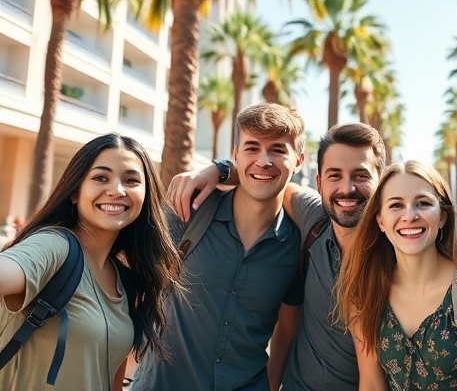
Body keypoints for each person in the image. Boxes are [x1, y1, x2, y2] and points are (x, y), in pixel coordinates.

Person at [168, 123, 386, 390]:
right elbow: (270, 178)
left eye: (361, 175)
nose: (347, 188)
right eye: (334, 175)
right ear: (319, 182)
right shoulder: (314, 220)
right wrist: (219, 169)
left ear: (381, 180)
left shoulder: (396, 253)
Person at [132, 103, 307, 391]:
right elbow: (133, 286)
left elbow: (287, 329)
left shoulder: (295, 244)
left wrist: (273, 385)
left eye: (278, 149)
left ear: (298, 160)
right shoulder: (189, 211)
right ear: (235, 155)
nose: (263, 160)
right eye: (251, 148)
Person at [0, 133, 181, 390]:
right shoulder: (54, 246)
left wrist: (220, 172)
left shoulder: (126, 281)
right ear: (75, 192)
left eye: (131, 180)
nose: (117, 190)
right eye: (100, 178)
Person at [335, 160, 457, 390]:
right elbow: (371, 384)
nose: (410, 215)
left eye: (423, 203)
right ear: (380, 221)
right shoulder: (366, 292)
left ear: (443, 217)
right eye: (396, 205)